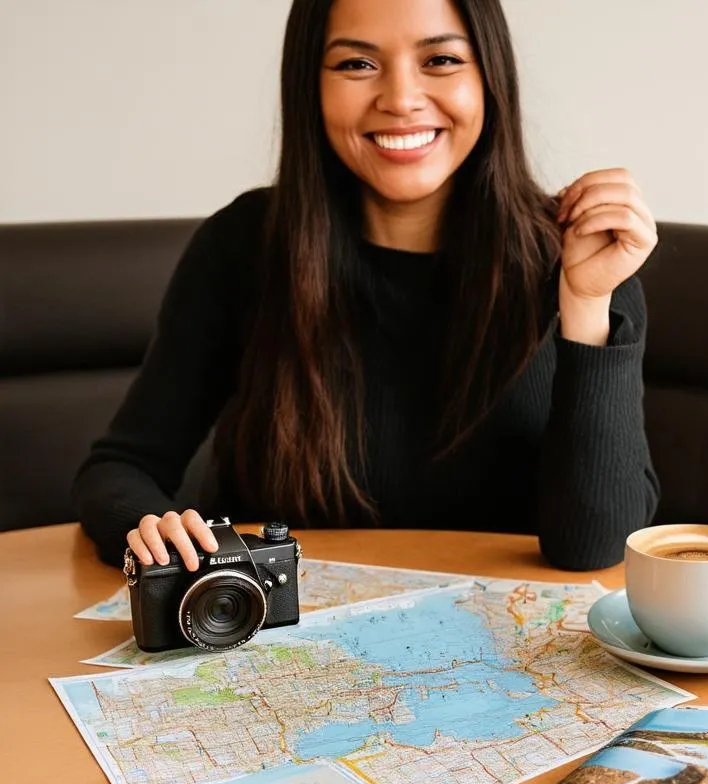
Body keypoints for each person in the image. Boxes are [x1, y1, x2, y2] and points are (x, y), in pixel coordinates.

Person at [73, 0, 660, 574]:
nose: (401, 99)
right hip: (280, 649)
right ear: (311, 85)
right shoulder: (245, 244)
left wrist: (584, 304)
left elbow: (593, 547)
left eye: (441, 61)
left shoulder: (578, 254)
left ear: (490, 76)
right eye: (357, 64)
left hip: (499, 654)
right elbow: (121, 467)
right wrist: (149, 524)